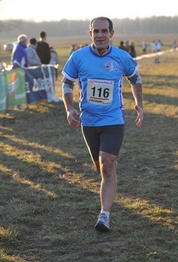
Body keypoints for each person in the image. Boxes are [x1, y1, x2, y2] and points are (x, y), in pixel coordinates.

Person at [61, 17, 144, 233]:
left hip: (113, 120)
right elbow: (67, 83)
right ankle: (110, 181)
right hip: (88, 121)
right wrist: (69, 108)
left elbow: (135, 79)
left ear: (111, 33)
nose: (100, 35)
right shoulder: (78, 57)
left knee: (107, 162)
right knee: (101, 167)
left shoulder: (121, 57)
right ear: (90, 33)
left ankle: (104, 215)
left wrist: (139, 105)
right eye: (96, 31)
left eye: (104, 31)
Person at [11, 34, 28, 110]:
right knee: (18, 87)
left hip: (18, 70)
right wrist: (21, 70)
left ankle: (19, 104)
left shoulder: (19, 47)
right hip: (19, 71)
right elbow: (17, 62)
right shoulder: (20, 49)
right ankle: (18, 104)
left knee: (19, 87)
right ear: (23, 41)